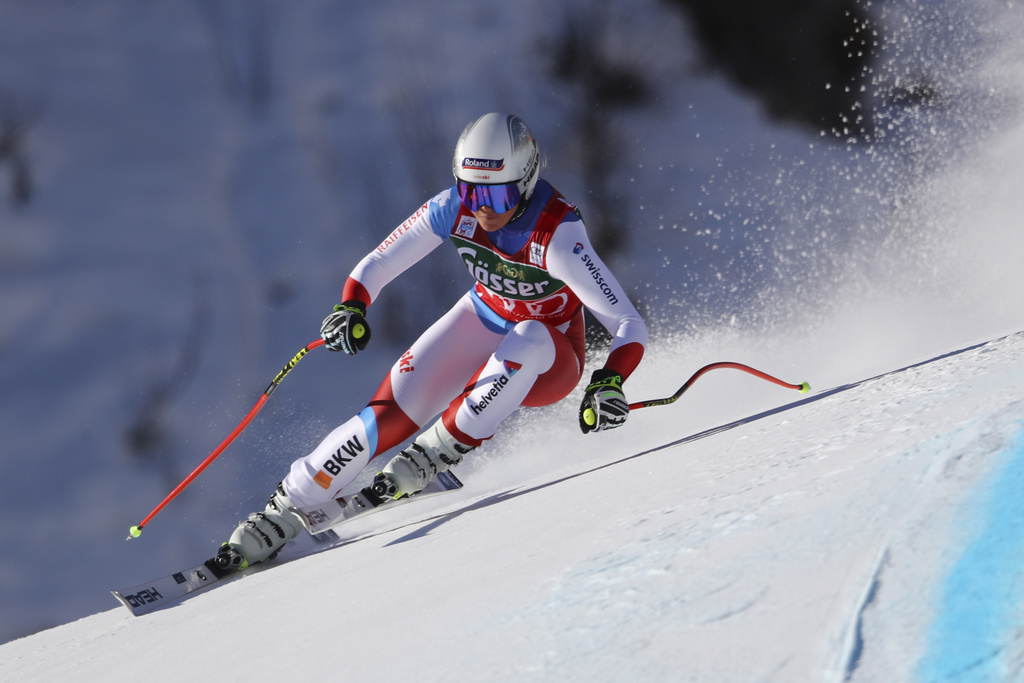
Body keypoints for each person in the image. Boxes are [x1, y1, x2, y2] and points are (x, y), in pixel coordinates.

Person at [215, 112, 648, 570]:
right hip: (482, 317)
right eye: (470, 190)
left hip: (550, 358)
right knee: (382, 420)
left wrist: (609, 383)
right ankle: (283, 509)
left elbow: (628, 324)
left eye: (496, 193)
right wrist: (352, 305)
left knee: (530, 334)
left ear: (525, 181)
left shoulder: (557, 236)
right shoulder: (452, 209)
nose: (482, 208)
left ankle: (437, 451)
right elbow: (378, 263)